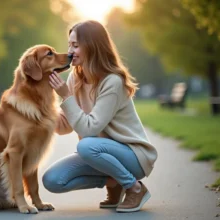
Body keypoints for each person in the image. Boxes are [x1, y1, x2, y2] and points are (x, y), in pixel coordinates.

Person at [44, 20, 158, 213]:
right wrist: (42, 113)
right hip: (97, 153)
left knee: (86, 145)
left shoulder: (112, 82)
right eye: (69, 44)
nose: (70, 51)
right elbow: (65, 126)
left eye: (75, 45)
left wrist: (65, 95)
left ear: (92, 46)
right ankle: (115, 182)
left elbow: (89, 129)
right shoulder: (75, 77)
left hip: (133, 156)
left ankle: (134, 187)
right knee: (52, 180)